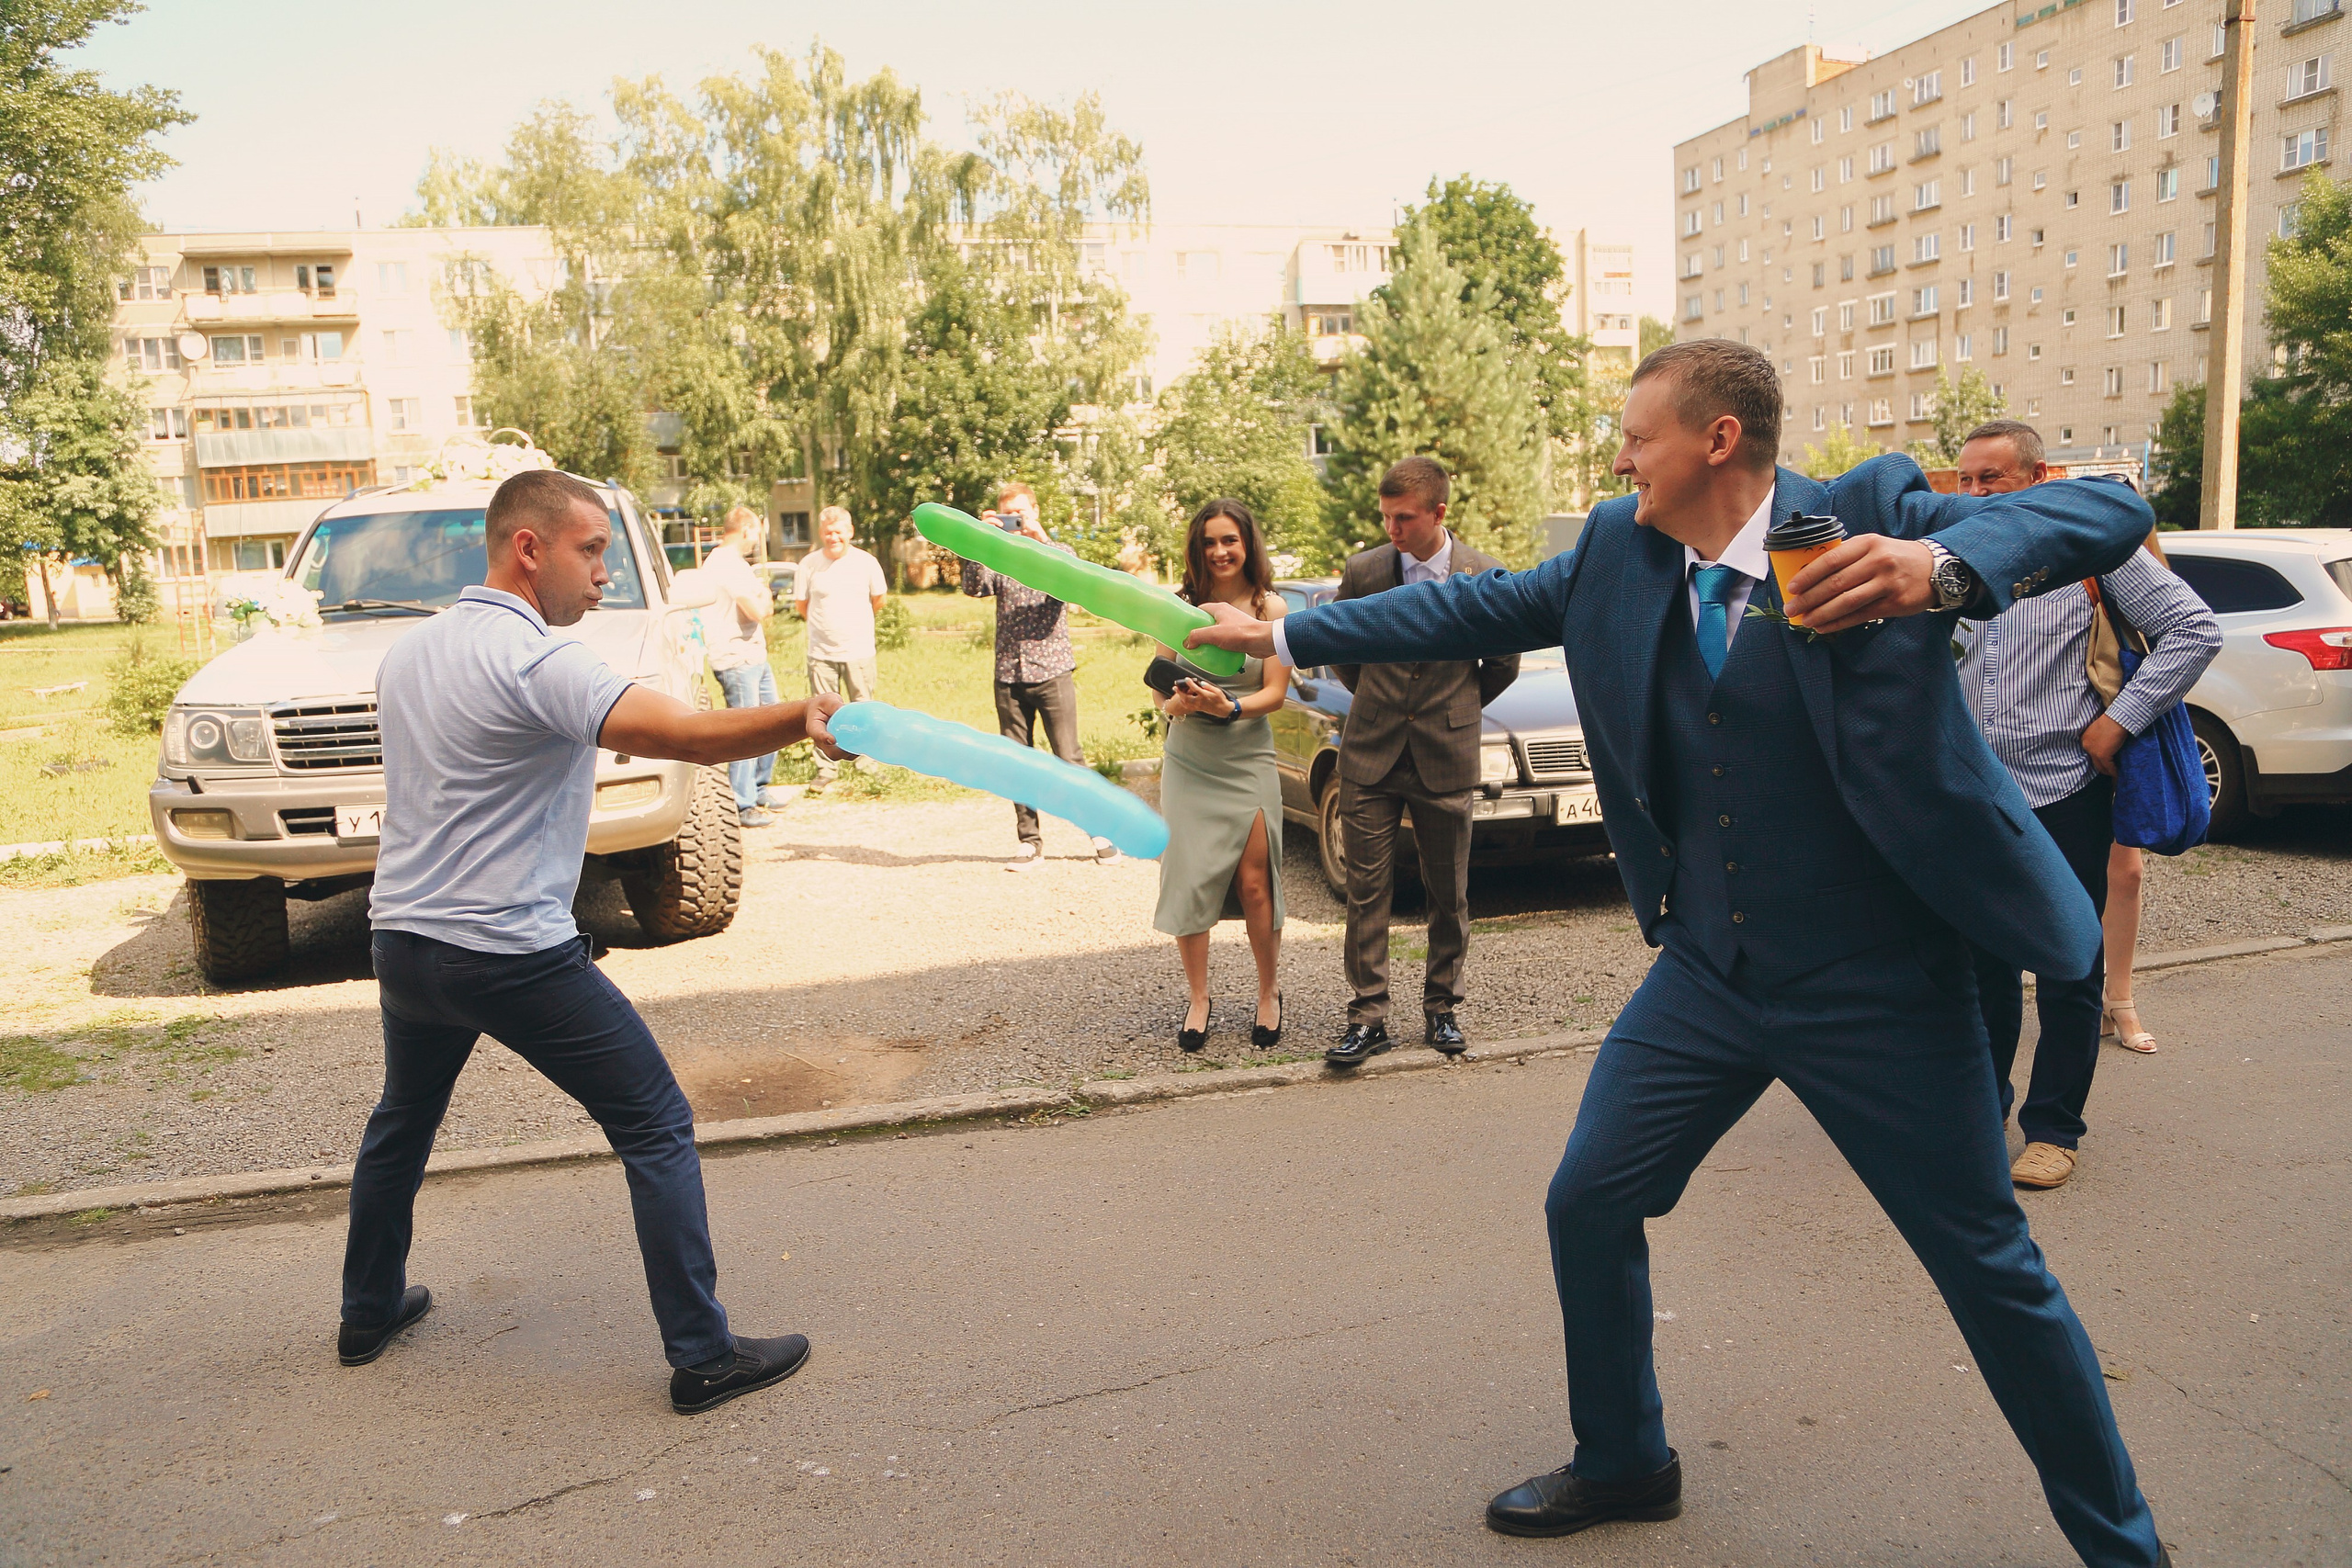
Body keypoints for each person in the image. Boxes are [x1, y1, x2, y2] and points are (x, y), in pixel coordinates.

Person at [1185, 340, 2172, 1567]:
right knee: (1589, 1198)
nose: (1616, 456)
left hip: (1880, 984)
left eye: (1634, 435)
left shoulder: (1864, 510)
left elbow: (2111, 506)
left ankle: (2123, 1544)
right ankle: (1624, 1457)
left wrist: (1942, 562)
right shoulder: (1619, 548)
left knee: (1989, 1266)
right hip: (1709, 970)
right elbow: (1469, 607)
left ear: (1714, 440)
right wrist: (1293, 624)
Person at [348, 468, 847, 1416]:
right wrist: (802, 715)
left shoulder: (409, 655)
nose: (603, 574)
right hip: (505, 952)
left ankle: (367, 1308)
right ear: (527, 548)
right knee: (655, 1122)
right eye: (591, 550)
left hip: (404, 941)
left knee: (401, 1120)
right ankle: (704, 1356)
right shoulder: (538, 660)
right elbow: (692, 740)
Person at [1953, 422, 2218, 1187]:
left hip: (2064, 790)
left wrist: (2117, 722)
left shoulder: (2093, 554)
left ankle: (2055, 1127)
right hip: (1974, 796)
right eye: (1965, 480)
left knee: (2070, 962)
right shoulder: (1954, 558)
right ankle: (1982, 1108)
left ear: (2039, 476)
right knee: (1981, 967)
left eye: (1991, 479)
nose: (1973, 494)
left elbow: (2193, 629)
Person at [1322, 457, 1519, 1067]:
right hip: (1371, 751)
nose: (1392, 529)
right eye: (1385, 517)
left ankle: (1443, 1008)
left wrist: (1455, 708)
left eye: (1403, 517)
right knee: (1366, 890)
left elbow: (1503, 663)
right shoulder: (1365, 570)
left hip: (1445, 750)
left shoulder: (1484, 574)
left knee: (1448, 891)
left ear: (1439, 512)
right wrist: (1381, 703)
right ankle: (1368, 1015)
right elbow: (1339, 650)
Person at [1150, 500, 1292, 1052]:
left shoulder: (1270, 607)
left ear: (1247, 543)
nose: (1219, 551)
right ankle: (1199, 998)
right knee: (1191, 877)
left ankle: (1268, 991)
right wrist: (1181, 708)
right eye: (1209, 541)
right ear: (1196, 548)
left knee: (1255, 882)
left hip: (1247, 755)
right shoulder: (1174, 606)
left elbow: (1274, 694)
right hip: (1189, 761)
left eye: (1229, 539)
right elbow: (1161, 694)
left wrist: (1228, 709)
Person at [960, 479, 1118, 868]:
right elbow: (973, 588)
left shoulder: (1059, 552)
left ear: (1034, 511)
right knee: (1017, 761)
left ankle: (1099, 831)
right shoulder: (996, 557)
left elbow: (1074, 585)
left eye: (1020, 512)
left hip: (1052, 671)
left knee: (1069, 756)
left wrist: (1040, 539)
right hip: (1009, 674)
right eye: (1006, 514)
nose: (1014, 519)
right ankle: (1029, 840)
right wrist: (977, 541)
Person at [700, 504, 789, 828]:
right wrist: (766, 597)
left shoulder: (734, 562)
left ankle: (759, 787)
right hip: (736, 658)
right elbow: (756, 610)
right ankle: (741, 803)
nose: (757, 541)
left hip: (753, 655)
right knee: (748, 730)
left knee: (773, 719)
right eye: (757, 534)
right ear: (747, 530)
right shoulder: (725, 563)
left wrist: (763, 599)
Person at [795, 504, 888, 795]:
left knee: (864, 709)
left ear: (849, 532)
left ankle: (867, 763)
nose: (833, 537)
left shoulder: (867, 562)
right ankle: (826, 769)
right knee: (822, 716)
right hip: (821, 653)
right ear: (821, 534)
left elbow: (879, 599)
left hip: (859, 650)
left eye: (838, 531)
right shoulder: (808, 564)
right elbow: (802, 606)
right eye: (827, 532)